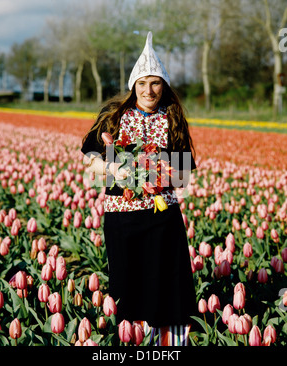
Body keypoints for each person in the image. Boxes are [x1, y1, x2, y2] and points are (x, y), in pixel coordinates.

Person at [81, 31, 197, 346]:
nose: (149, 90)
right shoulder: (113, 117)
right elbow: (90, 161)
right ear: (134, 85)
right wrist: (113, 168)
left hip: (163, 215)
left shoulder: (173, 121)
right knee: (127, 280)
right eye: (143, 83)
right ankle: (130, 340)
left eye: (155, 83)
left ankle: (168, 344)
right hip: (122, 216)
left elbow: (185, 175)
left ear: (164, 86)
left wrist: (158, 174)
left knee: (166, 280)